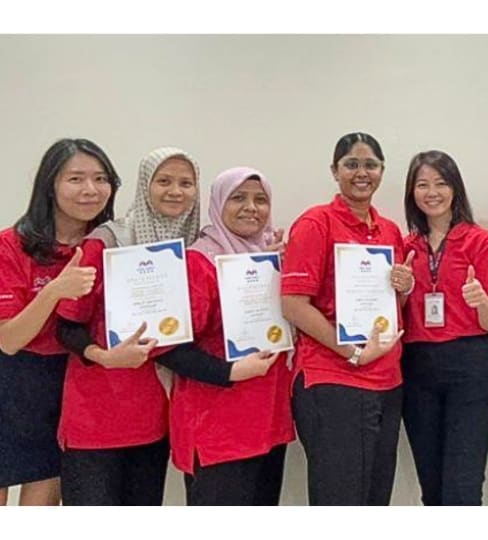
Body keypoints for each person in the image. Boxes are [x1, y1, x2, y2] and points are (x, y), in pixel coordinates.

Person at [55, 146, 202, 505]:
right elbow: (66, 325)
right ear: (144, 185)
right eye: (164, 181)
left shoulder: (196, 248)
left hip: (154, 420)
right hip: (97, 416)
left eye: (186, 183)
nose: (175, 191)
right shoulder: (107, 241)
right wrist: (104, 356)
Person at [281, 132, 408, 505]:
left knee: (375, 498)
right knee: (341, 500)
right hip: (333, 380)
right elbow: (293, 304)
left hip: (388, 381)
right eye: (351, 164)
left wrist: (404, 287)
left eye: (370, 165)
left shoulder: (389, 230)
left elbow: (390, 305)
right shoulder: (315, 223)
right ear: (334, 171)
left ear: (382, 170)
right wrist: (351, 352)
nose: (361, 173)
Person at [0, 139, 118, 506]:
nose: (90, 189)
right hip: (12, 379)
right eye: (76, 178)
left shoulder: (111, 245)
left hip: (72, 382)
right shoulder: (10, 245)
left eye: (101, 178)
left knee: (44, 496)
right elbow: (8, 340)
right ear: (50, 184)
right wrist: (54, 291)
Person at [169, 166, 294, 505]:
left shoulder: (271, 259)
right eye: (238, 198)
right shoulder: (199, 262)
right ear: (218, 203)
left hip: (268, 419)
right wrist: (230, 372)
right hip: (217, 426)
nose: (251, 208)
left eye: (260, 200)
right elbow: (171, 349)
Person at [398, 150, 488, 505]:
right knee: (431, 486)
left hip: (471, 368)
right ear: (412, 192)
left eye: (441, 183)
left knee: (463, 484)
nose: (432, 193)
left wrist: (480, 300)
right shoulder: (405, 247)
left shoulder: (480, 241)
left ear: (455, 188)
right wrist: (402, 291)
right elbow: (394, 314)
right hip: (417, 368)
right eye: (422, 185)